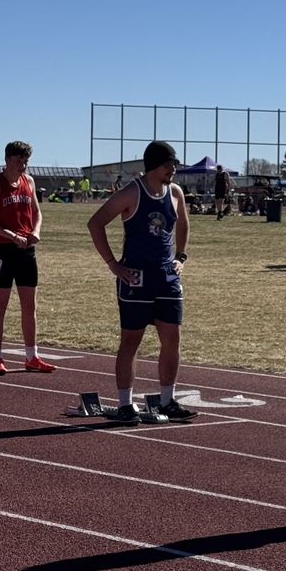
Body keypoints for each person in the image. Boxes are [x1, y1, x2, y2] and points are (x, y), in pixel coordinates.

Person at [87, 140, 197, 424]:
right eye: (168, 164)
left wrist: (181, 257)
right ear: (153, 166)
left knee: (172, 339)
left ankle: (167, 400)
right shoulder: (131, 193)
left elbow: (183, 223)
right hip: (135, 278)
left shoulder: (175, 192)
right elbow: (95, 223)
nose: (173, 169)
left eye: (174, 164)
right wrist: (113, 265)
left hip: (166, 277)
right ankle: (125, 404)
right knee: (131, 341)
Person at [0, 141, 56, 375]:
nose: (22, 165)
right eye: (18, 160)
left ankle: (32, 356)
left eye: (25, 161)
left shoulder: (28, 181)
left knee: (29, 306)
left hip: (26, 251)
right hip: (3, 250)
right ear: (8, 159)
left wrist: (36, 232)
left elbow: (37, 212)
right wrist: (10, 235)